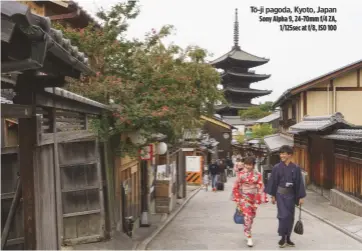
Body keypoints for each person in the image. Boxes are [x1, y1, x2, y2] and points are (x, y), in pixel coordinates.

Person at [265, 145, 306, 248]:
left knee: (290, 217)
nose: (282, 155)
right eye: (281, 153)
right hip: (280, 195)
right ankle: (283, 237)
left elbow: (299, 183)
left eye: (284, 153)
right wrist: (273, 196)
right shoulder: (276, 167)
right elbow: (273, 182)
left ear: (290, 155)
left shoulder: (296, 168)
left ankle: (288, 238)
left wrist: (301, 197)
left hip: (291, 195)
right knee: (283, 216)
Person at [232, 156, 268, 247]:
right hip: (244, 197)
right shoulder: (241, 174)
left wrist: (261, 197)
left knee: (251, 217)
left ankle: (247, 229)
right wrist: (237, 199)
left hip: (254, 198)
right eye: (246, 164)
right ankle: (249, 236)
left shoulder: (258, 174)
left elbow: (260, 186)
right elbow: (236, 186)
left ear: (253, 165)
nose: (248, 166)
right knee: (247, 217)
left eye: (250, 165)